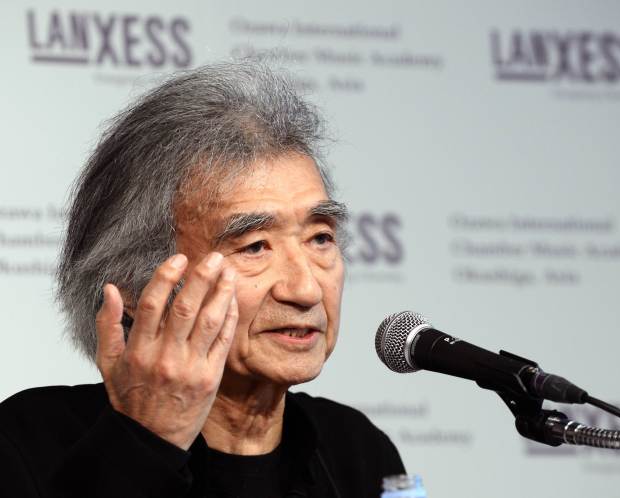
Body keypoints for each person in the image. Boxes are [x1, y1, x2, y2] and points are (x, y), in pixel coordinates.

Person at [0, 60, 404, 497]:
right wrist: (146, 440)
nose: (305, 290)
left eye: (320, 238)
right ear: (137, 286)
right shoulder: (26, 442)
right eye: (254, 246)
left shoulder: (361, 452)